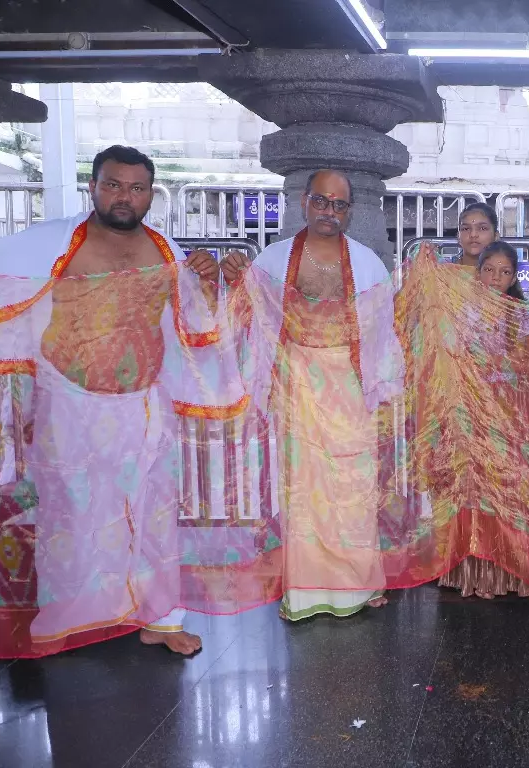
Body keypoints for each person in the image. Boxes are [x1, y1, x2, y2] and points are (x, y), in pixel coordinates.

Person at [0, 145, 242, 657]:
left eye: (137, 187)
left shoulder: (166, 250)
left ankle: (161, 619)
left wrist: (222, 283)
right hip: (72, 401)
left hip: (146, 403)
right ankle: (78, 621)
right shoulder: (51, 245)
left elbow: (198, 323)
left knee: (154, 516)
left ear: (151, 194)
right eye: (113, 185)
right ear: (94, 187)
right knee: (73, 517)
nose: (124, 197)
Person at [220, 169, 404, 623]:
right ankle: (305, 590)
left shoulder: (367, 264)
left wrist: (384, 387)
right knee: (303, 488)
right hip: (297, 381)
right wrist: (230, 281)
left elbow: (383, 333)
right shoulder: (273, 260)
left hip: (351, 383)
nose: (329, 212)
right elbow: (247, 319)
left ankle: (359, 582)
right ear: (304, 202)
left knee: (356, 484)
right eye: (321, 201)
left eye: (338, 204)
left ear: (349, 211)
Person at [436, 241, 529, 600]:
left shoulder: (524, 313)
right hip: (473, 412)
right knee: (476, 488)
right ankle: (476, 572)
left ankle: (515, 570)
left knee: (514, 489)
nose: (497, 277)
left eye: (505, 271)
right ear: (478, 271)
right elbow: (453, 360)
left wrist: (495, 360)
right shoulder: (462, 312)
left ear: (515, 276)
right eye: (489, 269)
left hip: (512, 413)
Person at [454, 202, 500, 270]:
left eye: (482, 228)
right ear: (458, 236)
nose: (473, 235)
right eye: (466, 229)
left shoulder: (504, 274)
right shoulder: (441, 272)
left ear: (496, 236)